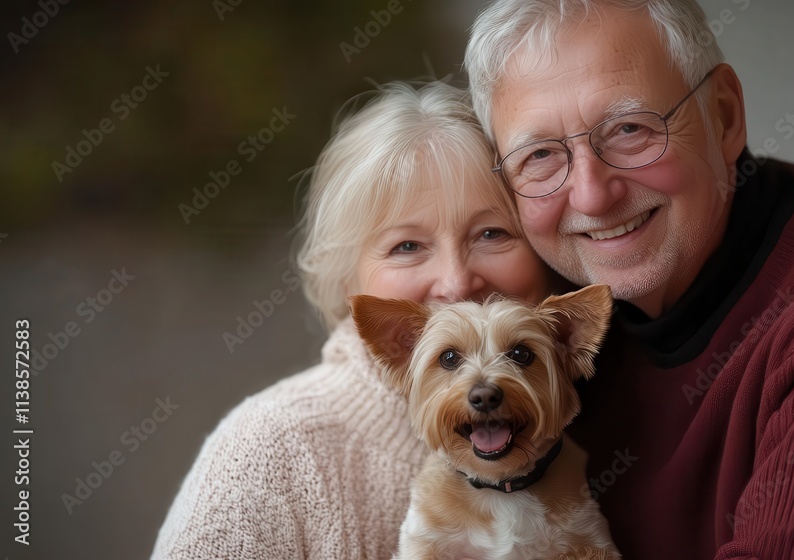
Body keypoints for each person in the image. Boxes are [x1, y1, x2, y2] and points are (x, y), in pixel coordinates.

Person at [465, 1, 794, 558]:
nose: (592, 196)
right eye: (541, 156)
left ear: (723, 116)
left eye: (629, 129)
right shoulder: (543, 308)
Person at [150, 81, 552, 559]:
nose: (457, 282)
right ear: (348, 280)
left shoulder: (585, 415)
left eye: (491, 232)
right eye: (407, 246)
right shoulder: (267, 453)